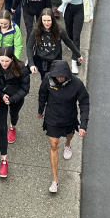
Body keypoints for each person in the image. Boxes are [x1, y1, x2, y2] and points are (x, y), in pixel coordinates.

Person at [37, 59, 89, 194]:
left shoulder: (77, 84)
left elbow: (84, 103)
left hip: (69, 117)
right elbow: (42, 94)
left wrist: (83, 124)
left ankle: (68, 144)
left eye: (62, 76)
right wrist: (40, 109)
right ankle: (55, 179)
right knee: (54, 144)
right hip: (52, 118)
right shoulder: (48, 80)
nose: (60, 78)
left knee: (69, 134)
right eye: (57, 76)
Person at [0, 47, 30, 179]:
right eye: (2, 61)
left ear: (12, 59)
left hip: (15, 98)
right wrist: (0, 95)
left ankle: (13, 126)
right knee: (2, 128)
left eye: (7, 61)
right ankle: (4, 159)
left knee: (14, 115)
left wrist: (13, 98)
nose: (4, 64)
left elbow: (25, 88)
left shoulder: (21, 67)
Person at [28, 9, 83, 82]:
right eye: (44, 20)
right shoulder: (36, 30)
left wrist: (78, 55)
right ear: (41, 20)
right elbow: (29, 47)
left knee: (56, 81)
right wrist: (31, 64)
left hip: (56, 60)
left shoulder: (59, 30)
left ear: (52, 20)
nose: (46, 23)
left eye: (49, 20)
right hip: (42, 61)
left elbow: (68, 42)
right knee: (45, 81)